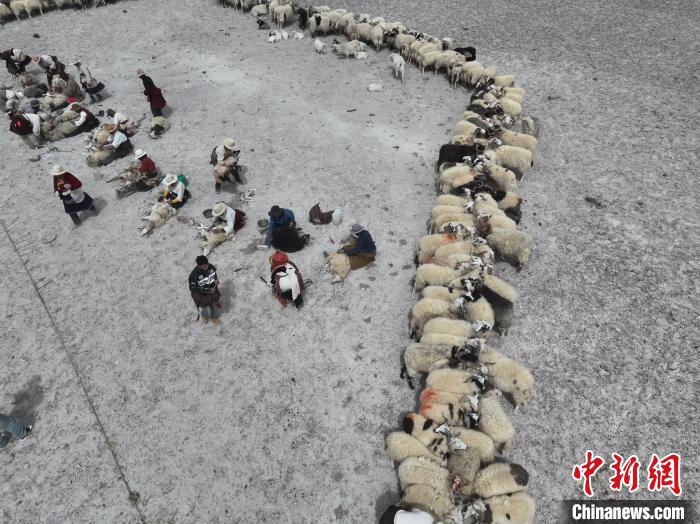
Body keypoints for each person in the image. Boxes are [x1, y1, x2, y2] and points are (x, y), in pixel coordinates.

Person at [188, 255, 221, 325]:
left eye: (207, 265)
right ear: (198, 266)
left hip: (210, 288)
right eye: (203, 267)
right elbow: (194, 289)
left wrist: (216, 280)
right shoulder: (193, 275)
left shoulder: (211, 267)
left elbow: (214, 275)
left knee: (216, 296)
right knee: (206, 301)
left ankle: (214, 303)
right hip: (199, 293)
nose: (206, 268)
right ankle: (204, 315)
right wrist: (208, 291)